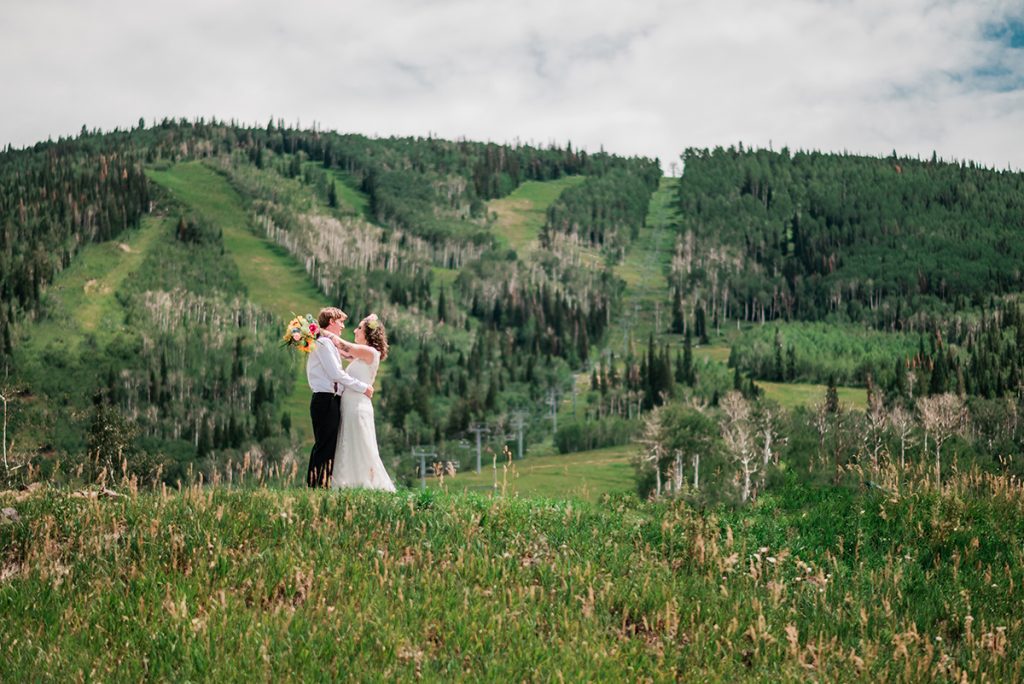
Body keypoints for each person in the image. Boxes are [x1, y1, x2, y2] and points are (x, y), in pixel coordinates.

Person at [320, 313, 396, 491]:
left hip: (357, 406)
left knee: (361, 445)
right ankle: (351, 484)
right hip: (351, 405)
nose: (355, 330)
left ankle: (370, 484)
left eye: (359, 328)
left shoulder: (369, 352)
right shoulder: (361, 355)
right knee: (351, 443)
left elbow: (342, 345)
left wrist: (316, 330)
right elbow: (340, 350)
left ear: (369, 334)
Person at [305, 307, 373, 488]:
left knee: (327, 444)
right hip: (326, 399)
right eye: (341, 322)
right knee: (325, 445)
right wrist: (362, 387)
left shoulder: (328, 344)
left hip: (330, 399)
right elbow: (336, 374)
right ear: (332, 322)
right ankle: (317, 486)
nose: (343, 326)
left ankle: (319, 484)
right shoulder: (323, 344)